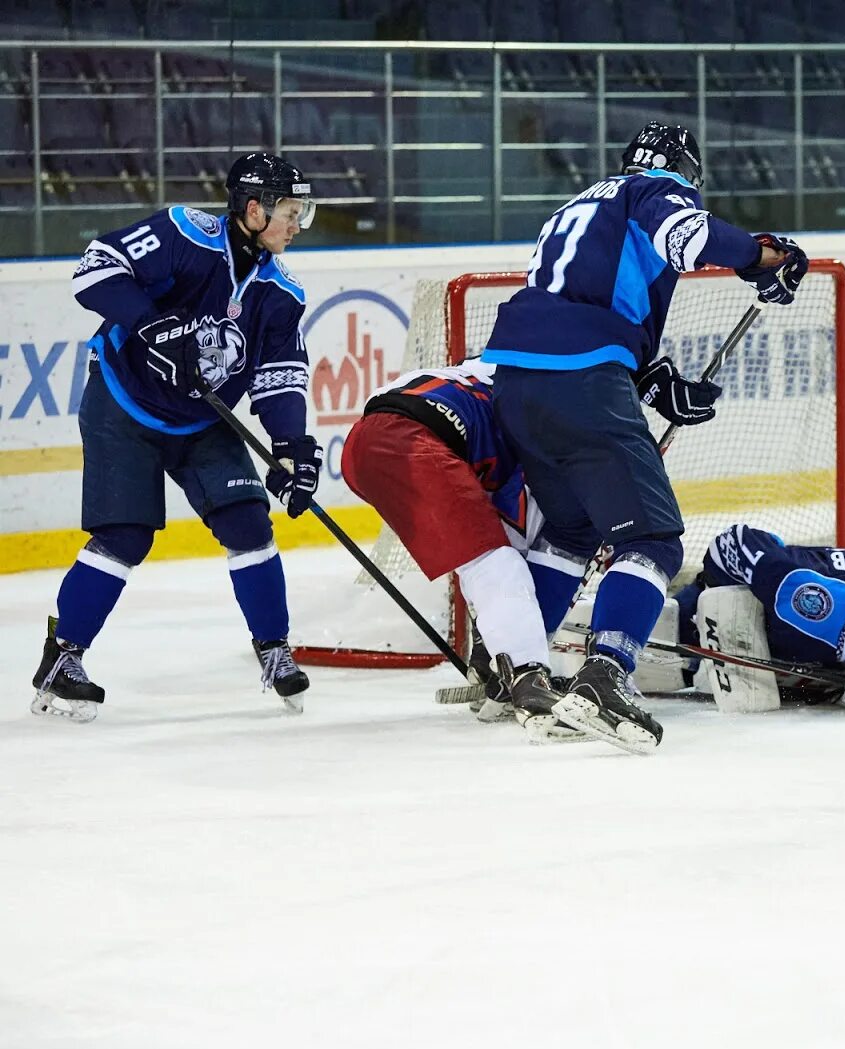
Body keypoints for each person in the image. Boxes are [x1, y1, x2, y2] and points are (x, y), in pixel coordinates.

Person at [481, 122, 808, 753]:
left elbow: (584, 305)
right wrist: (763, 256)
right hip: (582, 380)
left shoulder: (581, 204)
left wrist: (657, 384)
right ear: (684, 171)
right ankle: (606, 676)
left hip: (518, 383)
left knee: (573, 531)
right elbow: (692, 240)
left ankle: (512, 671)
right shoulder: (653, 191)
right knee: (654, 539)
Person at [31, 152, 320, 721]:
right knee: (125, 536)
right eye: (290, 211)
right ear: (254, 210)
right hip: (123, 402)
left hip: (201, 420)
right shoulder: (186, 233)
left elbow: (278, 376)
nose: (297, 223)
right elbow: (95, 267)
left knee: (246, 520)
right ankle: (62, 658)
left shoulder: (281, 291)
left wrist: (291, 447)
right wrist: (151, 324)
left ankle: (274, 649)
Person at [340, 358, 591, 741]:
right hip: (412, 440)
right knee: (496, 561)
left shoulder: (489, 373)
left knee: (482, 549)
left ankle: (499, 660)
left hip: (366, 443)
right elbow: (518, 539)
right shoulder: (537, 401)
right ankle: (530, 683)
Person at [664, 523, 845, 710]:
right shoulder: (809, 599)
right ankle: (691, 650)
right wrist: (720, 599)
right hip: (729, 593)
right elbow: (733, 541)